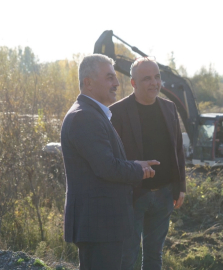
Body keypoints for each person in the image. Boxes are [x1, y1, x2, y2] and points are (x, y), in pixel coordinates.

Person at [61, 54, 159, 270]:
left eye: (115, 77)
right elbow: (106, 167)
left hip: (100, 224)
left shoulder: (92, 114)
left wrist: (136, 165)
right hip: (98, 225)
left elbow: (105, 162)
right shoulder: (84, 117)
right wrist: (137, 169)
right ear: (88, 82)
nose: (116, 83)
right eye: (109, 78)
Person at [110, 57, 186, 270]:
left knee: (154, 257)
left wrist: (180, 187)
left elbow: (178, 150)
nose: (154, 83)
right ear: (133, 83)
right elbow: (112, 158)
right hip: (132, 196)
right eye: (146, 79)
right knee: (127, 257)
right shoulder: (117, 112)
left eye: (157, 77)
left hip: (164, 194)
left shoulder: (169, 108)